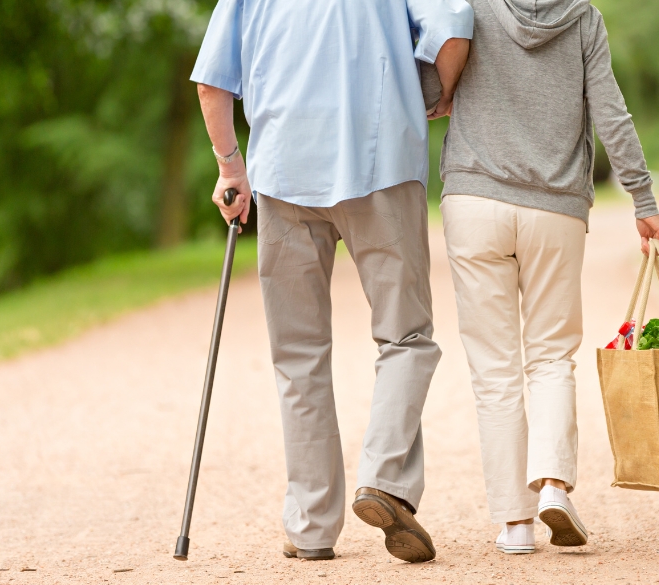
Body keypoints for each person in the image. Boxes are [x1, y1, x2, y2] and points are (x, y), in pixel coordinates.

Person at [190, 0, 473, 563]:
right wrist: (439, 94)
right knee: (406, 336)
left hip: (282, 174)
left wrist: (230, 168)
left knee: (298, 354)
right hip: (383, 165)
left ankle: (313, 525)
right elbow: (454, 27)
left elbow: (211, 85)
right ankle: (386, 479)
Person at [434, 0, 659, 555]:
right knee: (550, 356)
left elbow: (432, 68)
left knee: (494, 368)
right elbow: (611, 111)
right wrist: (642, 197)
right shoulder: (583, 17)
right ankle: (554, 488)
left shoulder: (470, 7)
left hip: (474, 199)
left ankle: (514, 524)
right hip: (555, 208)